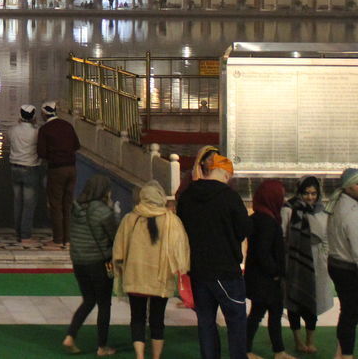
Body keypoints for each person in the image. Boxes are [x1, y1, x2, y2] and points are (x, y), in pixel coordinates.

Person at [178, 149, 251, 359]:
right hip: (226, 270)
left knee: (206, 322)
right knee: (236, 322)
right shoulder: (229, 197)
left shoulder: (188, 196)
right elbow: (245, 229)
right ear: (226, 175)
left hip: (198, 270)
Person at [112, 179, 190, 359]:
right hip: (160, 279)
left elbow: (119, 251)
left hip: (135, 277)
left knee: (137, 318)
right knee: (157, 320)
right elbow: (181, 251)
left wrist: (120, 268)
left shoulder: (130, 219)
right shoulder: (172, 221)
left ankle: (140, 356)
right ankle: (156, 357)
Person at [63, 174, 118, 356]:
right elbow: (114, 236)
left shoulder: (76, 207)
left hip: (79, 262)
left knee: (88, 299)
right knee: (104, 304)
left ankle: (71, 335)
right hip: (98, 263)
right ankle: (102, 346)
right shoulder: (103, 212)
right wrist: (115, 213)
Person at [281, 176, 333, 354]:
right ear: (299, 192)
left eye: (313, 193)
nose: (310, 197)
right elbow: (282, 235)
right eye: (306, 193)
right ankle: (297, 341)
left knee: (312, 302)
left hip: (316, 263)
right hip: (294, 262)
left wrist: (324, 257)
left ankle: (310, 340)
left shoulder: (321, 211)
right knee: (294, 302)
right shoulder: (288, 210)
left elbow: (326, 237)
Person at [325, 168, 358, 359]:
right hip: (349, 267)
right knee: (350, 315)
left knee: (348, 312)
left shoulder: (337, 205)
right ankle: (347, 355)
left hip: (336, 263)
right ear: (347, 186)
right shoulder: (351, 212)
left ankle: (340, 352)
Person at [246, 180, 295, 359]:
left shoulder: (259, 217)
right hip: (265, 279)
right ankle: (250, 350)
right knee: (265, 314)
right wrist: (275, 272)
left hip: (259, 277)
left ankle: (277, 350)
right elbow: (263, 252)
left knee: (263, 313)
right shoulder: (267, 222)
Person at [38, 100, 81, 248]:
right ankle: (67, 239)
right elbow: (76, 145)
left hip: (56, 170)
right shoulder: (67, 126)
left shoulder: (45, 129)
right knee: (67, 205)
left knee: (55, 205)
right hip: (72, 169)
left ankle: (57, 239)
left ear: (44, 113)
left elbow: (41, 153)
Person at [7, 104, 41, 244]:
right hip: (30, 168)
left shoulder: (12, 130)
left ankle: (18, 232)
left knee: (17, 202)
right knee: (28, 203)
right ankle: (26, 235)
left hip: (14, 168)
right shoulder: (36, 132)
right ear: (33, 116)